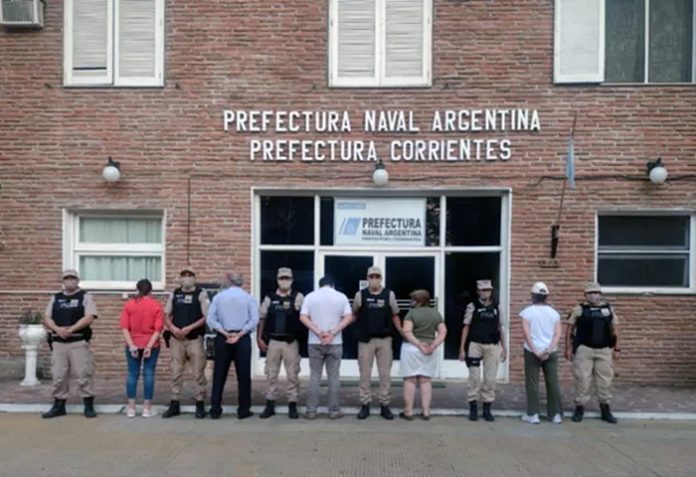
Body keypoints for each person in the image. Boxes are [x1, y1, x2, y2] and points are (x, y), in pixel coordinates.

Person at [42, 269, 98, 419]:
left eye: (72, 278)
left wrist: (71, 329)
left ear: (77, 280)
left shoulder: (85, 296)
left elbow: (89, 317)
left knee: (83, 374)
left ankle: (88, 405)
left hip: (78, 342)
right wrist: (57, 329)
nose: (69, 280)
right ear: (63, 281)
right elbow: (47, 317)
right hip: (59, 343)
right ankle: (59, 406)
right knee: (58, 375)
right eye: (66, 278)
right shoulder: (55, 298)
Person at [299, 276, 353, 420]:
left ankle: (311, 411)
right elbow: (348, 317)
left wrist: (319, 332)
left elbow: (303, 317)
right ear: (332, 285)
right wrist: (332, 333)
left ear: (320, 285)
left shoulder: (310, 296)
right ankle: (334, 411)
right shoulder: (341, 297)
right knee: (333, 377)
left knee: (314, 376)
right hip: (335, 342)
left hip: (315, 341)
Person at [565, 282, 620, 424]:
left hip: (604, 350)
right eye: (590, 293)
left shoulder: (608, 310)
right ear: (585, 295)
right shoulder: (579, 310)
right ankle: (579, 408)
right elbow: (569, 329)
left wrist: (617, 349)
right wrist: (568, 349)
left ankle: (605, 409)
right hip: (584, 350)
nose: (593, 295)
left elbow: (615, 330)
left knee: (605, 381)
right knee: (582, 380)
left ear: (601, 294)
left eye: (596, 293)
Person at [206, 272, 259, 419]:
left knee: (219, 374)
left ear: (229, 281)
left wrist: (225, 332)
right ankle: (243, 410)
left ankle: (215, 409)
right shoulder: (248, 298)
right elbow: (254, 320)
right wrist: (240, 334)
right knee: (244, 375)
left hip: (223, 337)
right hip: (242, 338)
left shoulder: (219, 297)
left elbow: (210, 319)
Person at [352, 266, 400, 420]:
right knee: (365, 374)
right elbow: (354, 314)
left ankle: (384, 405)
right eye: (371, 277)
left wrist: (402, 332)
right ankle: (365, 404)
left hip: (384, 339)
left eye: (377, 277)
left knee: (385, 374)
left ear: (381, 278)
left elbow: (395, 315)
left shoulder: (389, 294)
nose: (374, 279)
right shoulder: (360, 295)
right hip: (366, 340)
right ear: (367, 278)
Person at [162, 266, 210, 419]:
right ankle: (174, 403)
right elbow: (166, 315)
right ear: (180, 278)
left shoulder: (201, 294)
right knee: (176, 372)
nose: (187, 278)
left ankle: (200, 402)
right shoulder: (175, 294)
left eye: (190, 275)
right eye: (184, 275)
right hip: (177, 340)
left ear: (194, 278)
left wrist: (190, 328)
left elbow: (206, 316)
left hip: (194, 339)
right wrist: (173, 328)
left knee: (198, 373)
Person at [257, 267, 305, 419]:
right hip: (273, 342)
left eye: (287, 278)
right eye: (282, 278)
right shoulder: (270, 297)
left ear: (292, 280)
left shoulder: (298, 297)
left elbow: (305, 318)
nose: (284, 281)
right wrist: (259, 338)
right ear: (277, 280)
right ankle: (270, 404)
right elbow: (262, 318)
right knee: (271, 374)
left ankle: (292, 404)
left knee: (292, 374)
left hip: (291, 342)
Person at [459, 279, 507, 422]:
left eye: (488, 290)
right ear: (478, 291)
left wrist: (504, 348)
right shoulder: (472, 306)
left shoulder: (497, 307)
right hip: (475, 344)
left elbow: (500, 328)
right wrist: (462, 348)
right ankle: (473, 407)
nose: (486, 293)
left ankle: (487, 408)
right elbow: (466, 326)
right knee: (474, 377)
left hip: (492, 345)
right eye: (483, 290)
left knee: (490, 378)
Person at [399, 289, 447, 421]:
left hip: (412, 349)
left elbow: (407, 331)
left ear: (418, 302)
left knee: (410, 380)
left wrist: (418, 344)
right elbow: (443, 332)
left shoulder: (411, 313)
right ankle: (426, 411)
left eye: (413, 300)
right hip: (429, 349)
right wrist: (434, 345)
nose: (411, 302)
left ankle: (408, 411)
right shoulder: (435, 314)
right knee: (425, 381)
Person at [120, 279, 164, 418]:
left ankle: (131, 408)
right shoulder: (156, 305)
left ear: (137, 289)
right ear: (151, 290)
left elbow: (124, 327)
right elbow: (158, 329)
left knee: (132, 374)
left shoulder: (129, 305)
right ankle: (147, 408)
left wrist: (132, 345)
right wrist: (149, 346)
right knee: (149, 373)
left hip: (133, 342)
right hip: (151, 343)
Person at [519, 281, 562, 424]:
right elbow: (557, 334)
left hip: (532, 351)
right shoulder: (554, 313)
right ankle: (555, 414)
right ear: (546, 296)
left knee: (532, 383)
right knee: (552, 382)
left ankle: (533, 414)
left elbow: (526, 333)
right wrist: (548, 350)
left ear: (533, 295)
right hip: (551, 351)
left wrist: (535, 350)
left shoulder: (527, 312)